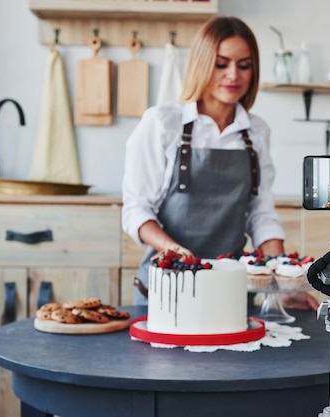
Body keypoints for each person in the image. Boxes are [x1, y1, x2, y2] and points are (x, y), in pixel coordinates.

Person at [122, 16, 318, 310]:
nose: (233, 75)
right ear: (202, 64)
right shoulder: (162, 123)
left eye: (244, 65)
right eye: (221, 63)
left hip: (232, 290)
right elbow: (136, 210)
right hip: (167, 285)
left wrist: (282, 282)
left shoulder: (257, 132)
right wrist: (177, 253)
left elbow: (260, 214)